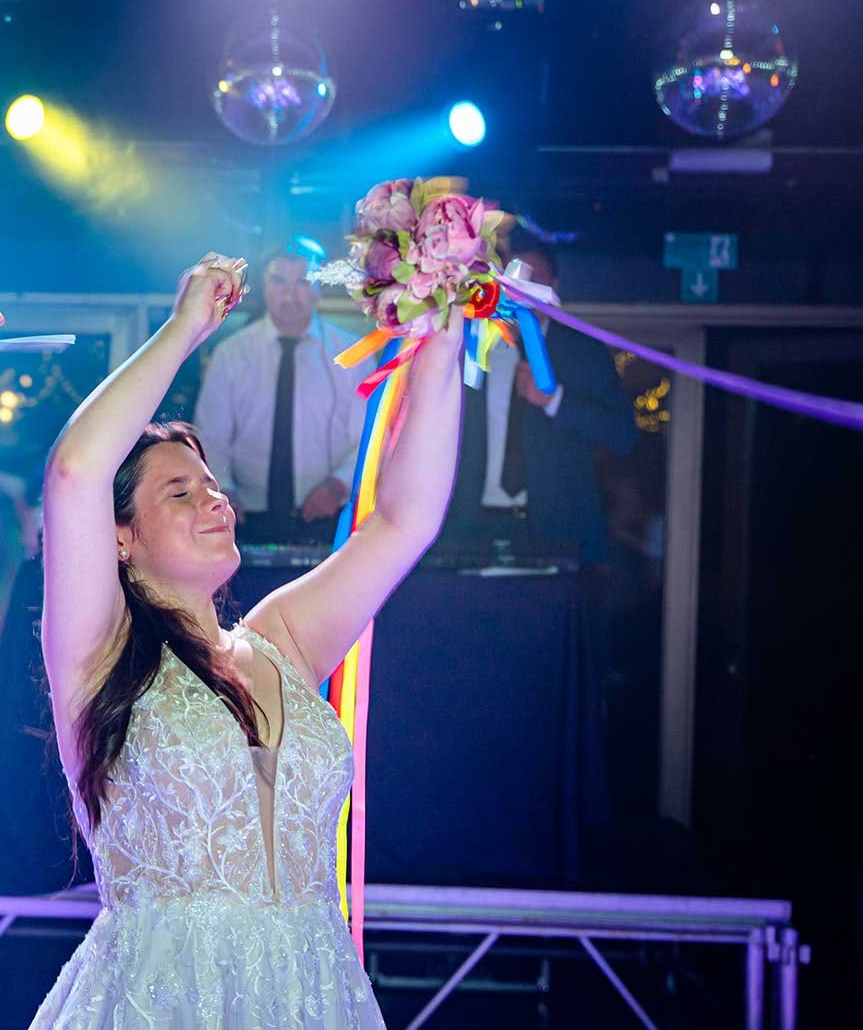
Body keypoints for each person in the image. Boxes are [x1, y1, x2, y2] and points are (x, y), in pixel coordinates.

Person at [35, 253, 464, 1027]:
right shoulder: (99, 653)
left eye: (213, 485)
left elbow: (406, 520)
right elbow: (74, 470)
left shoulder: (280, 640)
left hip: (312, 997)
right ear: (119, 536)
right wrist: (185, 328)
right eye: (180, 492)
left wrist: (441, 330)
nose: (214, 500)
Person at [440, 235, 637, 565]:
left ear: (553, 286)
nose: (524, 290)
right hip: (471, 527)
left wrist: (556, 400)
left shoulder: (583, 353)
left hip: (556, 530)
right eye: (515, 279)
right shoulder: (472, 346)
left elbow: (623, 436)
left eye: (536, 279)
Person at [193, 245, 367, 543]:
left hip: (330, 512)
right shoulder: (231, 353)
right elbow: (210, 435)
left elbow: (370, 437)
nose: (290, 294)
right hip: (244, 514)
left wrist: (339, 484)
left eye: (302, 282)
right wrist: (224, 489)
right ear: (264, 288)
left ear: (319, 289)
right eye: (279, 282)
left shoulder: (353, 354)